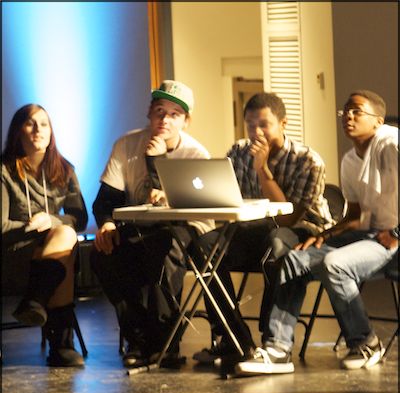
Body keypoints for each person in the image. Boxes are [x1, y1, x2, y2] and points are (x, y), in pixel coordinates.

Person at [236, 89, 399, 375]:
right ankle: (278, 349)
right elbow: (356, 216)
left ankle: (366, 342)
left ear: (378, 120)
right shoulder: (350, 159)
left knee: (334, 264)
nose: (348, 116)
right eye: (345, 111)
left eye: (357, 111)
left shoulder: (392, 144)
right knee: (295, 259)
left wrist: (396, 232)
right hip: (371, 236)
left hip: (393, 240)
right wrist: (328, 234)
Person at [192, 92, 333, 364]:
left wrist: (262, 170)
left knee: (276, 243)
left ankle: (273, 340)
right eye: (250, 124)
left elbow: (287, 219)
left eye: (264, 124)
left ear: (283, 123)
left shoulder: (307, 160)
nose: (256, 132)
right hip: (253, 227)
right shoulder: (237, 151)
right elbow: (225, 197)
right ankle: (233, 337)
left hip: (302, 231)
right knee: (203, 246)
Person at [90, 80, 214, 368]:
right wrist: (107, 225)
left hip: (182, 227)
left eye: (174, 114)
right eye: (159, 111)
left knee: (164, 246)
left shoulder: (195, 154)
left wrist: (156, 161)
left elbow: (195, 211)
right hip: (138, 228)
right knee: (103, 255)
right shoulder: (126, 144)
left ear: (186, 121)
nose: (164, 120)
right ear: (149, 113)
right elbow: (105, 201)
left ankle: (164, 343)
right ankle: (138, 337)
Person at [2, 104, 88, 367]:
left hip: (51, 250)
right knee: (62, 256)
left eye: (45, 123)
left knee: (63, 235)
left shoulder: (64, 169)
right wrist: (32, 226)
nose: (38, 130)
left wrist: (51, 220)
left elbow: (80, 219)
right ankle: (62, 345)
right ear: (18, 131)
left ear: (52, 132)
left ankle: (36, 301)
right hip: (14, 253)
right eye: (30, 123)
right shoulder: (4, 171)